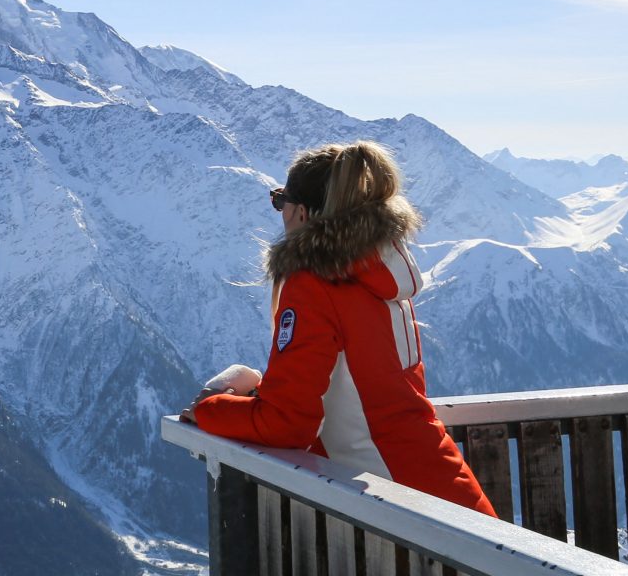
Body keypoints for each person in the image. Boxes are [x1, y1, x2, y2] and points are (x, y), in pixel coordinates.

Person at [183, 140, 495, 516]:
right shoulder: (378, 272)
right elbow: (361, 387)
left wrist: (209, 408)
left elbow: (287, 426)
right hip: (446, 488)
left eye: (280, 201)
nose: (280, 213)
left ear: (302, 212)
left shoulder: (315, 283)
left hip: (400, 507)